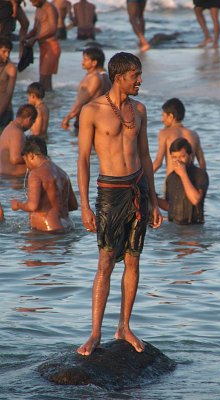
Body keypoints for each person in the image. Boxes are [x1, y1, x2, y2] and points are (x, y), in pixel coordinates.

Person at [77, 51, 162, 356]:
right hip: (110, 191)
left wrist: (153, 199)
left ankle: (124, 327)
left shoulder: (139, 109)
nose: (140, 80)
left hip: (137, 187)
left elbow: (146, 155)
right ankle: (95, 333)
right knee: (105, 262)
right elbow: (84, 159)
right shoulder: (92, 111)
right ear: (119, 76)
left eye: (139, 75)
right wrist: (85, 205)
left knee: (133, 260)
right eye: (135, 75)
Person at [11, 135, 78, 232]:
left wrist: (18, 205)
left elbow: (32, 206)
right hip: (68, 226)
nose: (27, 166)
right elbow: (73, 206)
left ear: (31, 155)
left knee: (26, 247)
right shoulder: (63, 173)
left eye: (25, 161)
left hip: (48, 231)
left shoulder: (35, 174)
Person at [157, 138, 209, 224]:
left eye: (182, 156)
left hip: (194, 228)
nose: (178, 160)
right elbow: (170, 206)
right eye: (174, 157)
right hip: (174, 226)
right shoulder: (171, 177)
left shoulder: (200, 174)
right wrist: (153, 197)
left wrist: (183, 174)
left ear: (191, 156)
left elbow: (195, 200)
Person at [153, 98, 206, 179]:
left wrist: (141, 179)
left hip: (172, 182)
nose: (162, 120)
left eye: (163, 115)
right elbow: (202, 164)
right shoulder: (194, 135)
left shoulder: (164, 133)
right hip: (191, 183)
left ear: (170, 116)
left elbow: (158, 163)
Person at [61, 47, 111, 131]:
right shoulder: (91, 76)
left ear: (94, 62)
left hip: (91, 119)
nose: (82, 62)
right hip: (85, 118)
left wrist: (69, 116)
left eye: (85, 59)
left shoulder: (96, 78)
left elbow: (82, 101)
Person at [24, 0, 61, 91]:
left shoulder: (50, 8)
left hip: (51, 46)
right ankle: (47, 100)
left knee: (45, 78)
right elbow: (35, 29)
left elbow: (53, 29)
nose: (32, 4)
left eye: (34, 1)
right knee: (42, 77)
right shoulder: (38, 9)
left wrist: (35, 38)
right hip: (43, 47)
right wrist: (25, 37)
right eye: (31, 1)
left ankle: (50, 102)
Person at [0, 104, 37, 176]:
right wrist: (35, 158)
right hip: (15, 179)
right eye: (32, 122)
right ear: (29, 119)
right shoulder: (17, 133)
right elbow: (15, 158)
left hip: (7, 178)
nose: (31, 126)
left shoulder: (10, 128)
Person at [0, 35, 17, 134]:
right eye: (4, 51)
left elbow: (8, 94)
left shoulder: (10, 68)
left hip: (4, 112)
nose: (7, 55)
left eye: (9, 52)